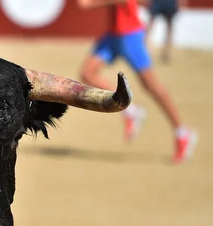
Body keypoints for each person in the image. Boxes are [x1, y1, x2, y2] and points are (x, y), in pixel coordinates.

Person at [77, 0, 198, 164]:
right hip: (113, 35)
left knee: (152, 86)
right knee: (87, 73)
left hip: (130, 35)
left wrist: (93, 3)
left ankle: (182, 132)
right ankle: (130, 109)